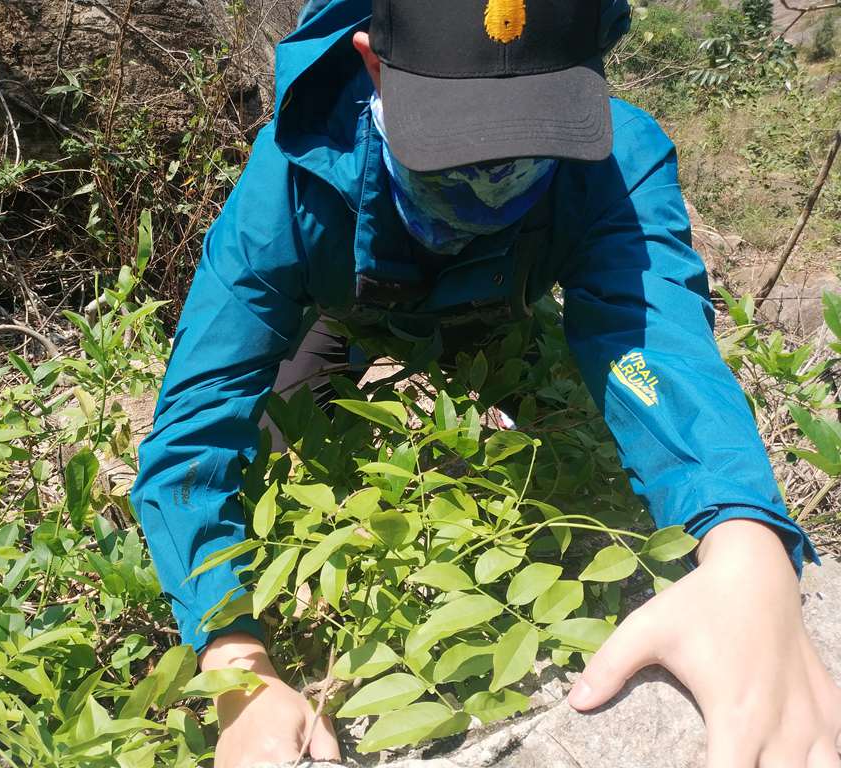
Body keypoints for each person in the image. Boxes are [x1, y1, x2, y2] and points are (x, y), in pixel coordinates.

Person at [131, 1, 841, 766]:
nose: (493, 187)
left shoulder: (616, 160)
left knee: (558, 459)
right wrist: (238, 668)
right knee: (282, 447)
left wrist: (744, 545)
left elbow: (654, 344)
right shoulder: (295, 172)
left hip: (499, 314)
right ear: (373, 63)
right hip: (350, 312)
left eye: (532, 146)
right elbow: (195, 432)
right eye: (453, 150)